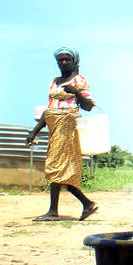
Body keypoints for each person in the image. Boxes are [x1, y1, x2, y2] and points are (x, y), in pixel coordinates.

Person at [26, 47, 99, 221]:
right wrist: (34, 132)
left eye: (67, 59)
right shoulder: (54, 82)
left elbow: (88, 106)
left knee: (56, 165)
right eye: (60, 60)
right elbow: (49, 110)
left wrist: (77, 93)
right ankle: (86, 204)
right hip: (54, 127)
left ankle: (54, 211)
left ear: (74, 62)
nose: (64, 62)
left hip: (67, 127)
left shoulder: (80, 80)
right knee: (59, 167)